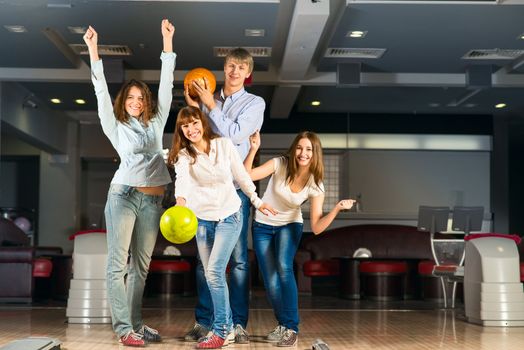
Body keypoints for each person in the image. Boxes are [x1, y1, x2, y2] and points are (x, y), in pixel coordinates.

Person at [83, 20, 175, 347]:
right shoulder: (115, 125)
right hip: (122, 196)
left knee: (141, 267)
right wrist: (94, 50)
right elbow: (100, 90)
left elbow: (167, 83)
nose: (135, 101)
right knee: (116, 264)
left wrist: (167, 43)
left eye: (140, 97)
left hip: (152, 200)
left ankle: (136, 323)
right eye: (130, 97)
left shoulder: (156, 121)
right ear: (124, 101)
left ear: (146, 101)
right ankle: (124, 329)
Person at [167, 106, 275, 349]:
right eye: (185, 126)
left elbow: (241, 177)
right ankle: (223, 328)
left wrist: (257, 202)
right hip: (202, 220)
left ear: (202, 123)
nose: (191, 129)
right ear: (181, 130)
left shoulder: (224, 145)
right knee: (211, 274)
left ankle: (222, 330)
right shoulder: (184, 156)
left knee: (214, 272)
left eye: (194, 123)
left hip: (230, 215)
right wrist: (180, 207)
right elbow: (182, 184)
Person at [183, 47, 264, 344]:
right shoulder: (208, 100)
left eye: (241, 67)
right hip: (205, 190)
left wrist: (209, 105)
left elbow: (235, 136)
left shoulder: (255, 103)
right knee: (204, 261)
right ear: (224, 68)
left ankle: (237, 323)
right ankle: (204, 321)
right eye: (230, 65)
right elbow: (198, 138)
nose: (234, 71)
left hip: (235, 191)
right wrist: (196, 106)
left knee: (239, 260)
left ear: (247, 73)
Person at [244, 131, 355, 347]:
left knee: (284, 267)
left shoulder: (316, 183)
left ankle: (292, 328)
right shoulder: (279, 163)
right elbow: (247, 175)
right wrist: (253, 149)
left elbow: (316, 227)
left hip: (290, 224)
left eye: (308, 149)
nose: (303, 153)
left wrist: (336, 209)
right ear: (294, 148)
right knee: (270, 280)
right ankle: (284, 324)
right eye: (299, 148)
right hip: (262, 225)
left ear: (315, 154)